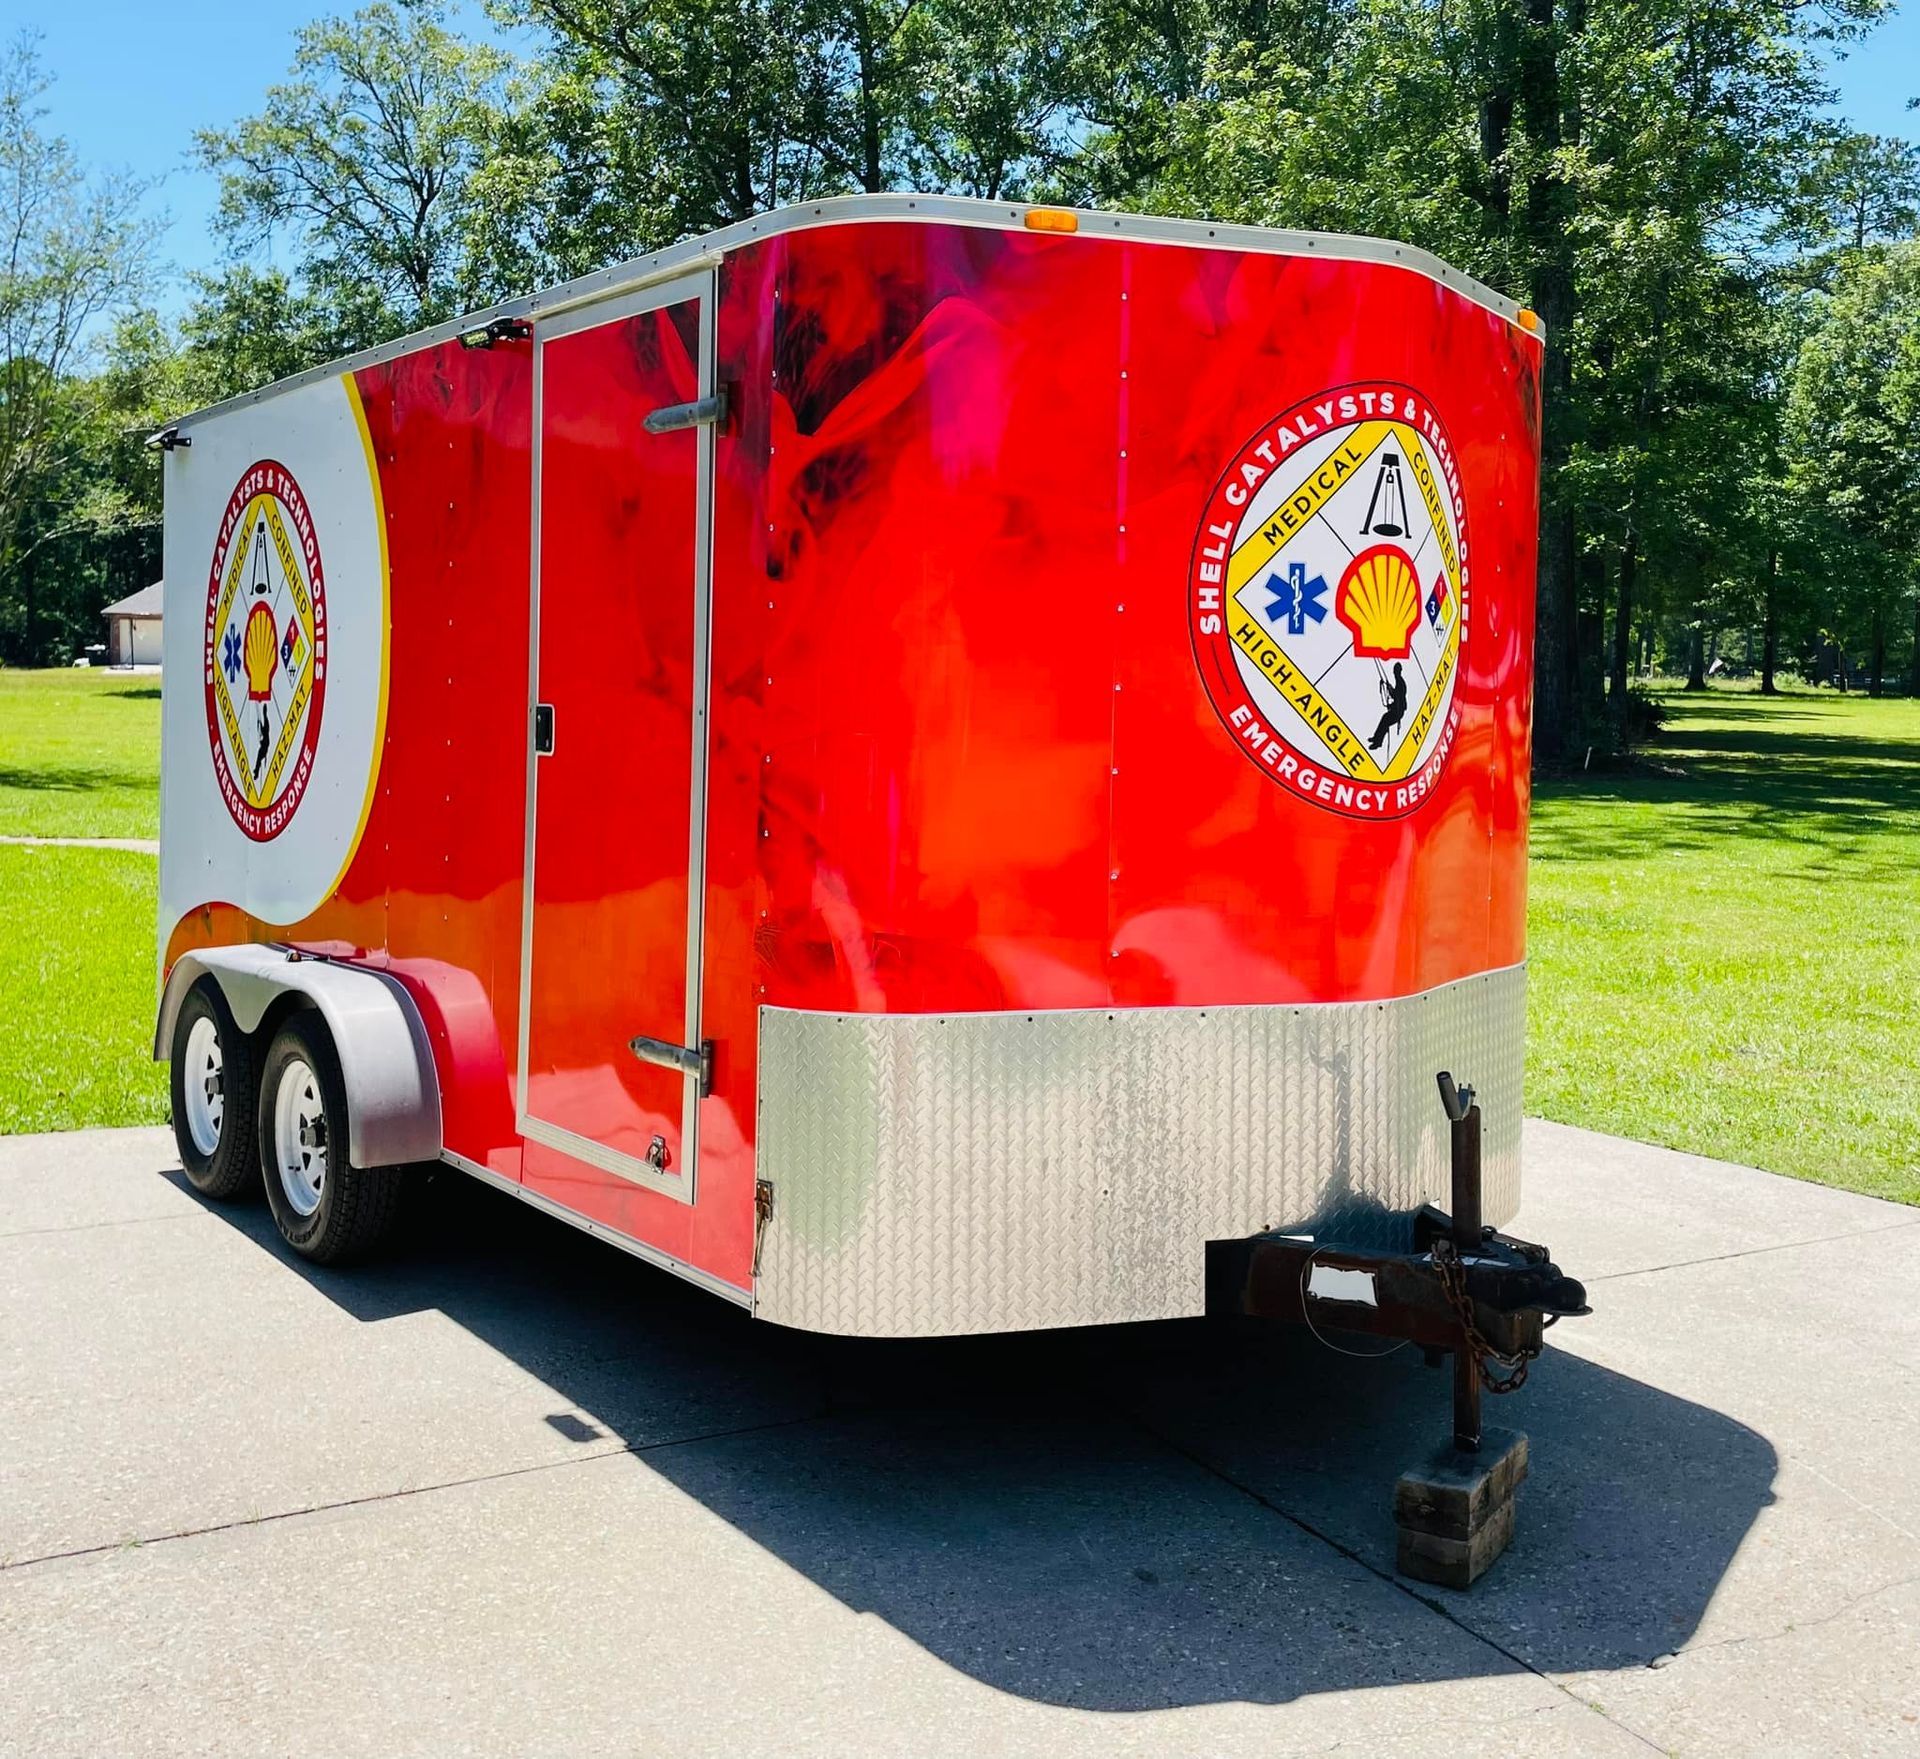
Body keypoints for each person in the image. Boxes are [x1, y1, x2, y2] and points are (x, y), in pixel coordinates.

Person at [1369, 662, 1408, 752]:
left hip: (1398, 711)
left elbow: (1397, 697)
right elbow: (1396, 695)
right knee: (1385, 719)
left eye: (1396, 671)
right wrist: (1389, 687)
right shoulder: (1399, 682)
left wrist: (1390, 690)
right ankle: (1376, 738)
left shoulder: (1400, 683)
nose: (1394, 673)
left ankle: (1377, 742)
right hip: (1397, 710)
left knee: (1385, 720)